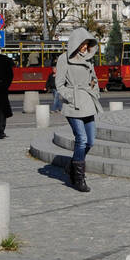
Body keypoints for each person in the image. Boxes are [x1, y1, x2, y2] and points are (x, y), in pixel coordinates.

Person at [55, 28, 102, 193]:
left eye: (87, 44)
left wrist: (95, 90)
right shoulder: (64, 59)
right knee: (81, 138)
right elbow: (59, 84)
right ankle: (79, 179)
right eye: (83, 44)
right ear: (76, 43)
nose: (85, 47)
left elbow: (94, 78)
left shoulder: (89, 59)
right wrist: (71, 96)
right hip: (73, 104)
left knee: (91, 141)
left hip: (88, 102)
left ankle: (71, 166)